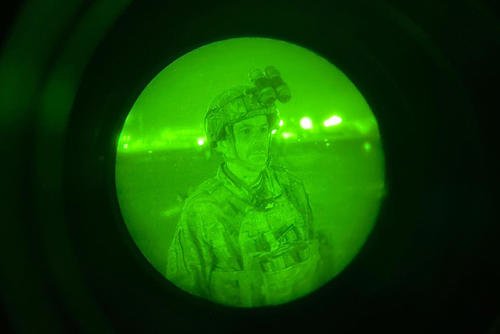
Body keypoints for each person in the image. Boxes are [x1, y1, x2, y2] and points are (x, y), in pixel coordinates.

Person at [166, 67, 322, 307]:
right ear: (223, 143)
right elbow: (182, 291)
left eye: (263, 130)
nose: (260, 140)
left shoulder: (291, 188)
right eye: (247, 131)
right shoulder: (202, 209)